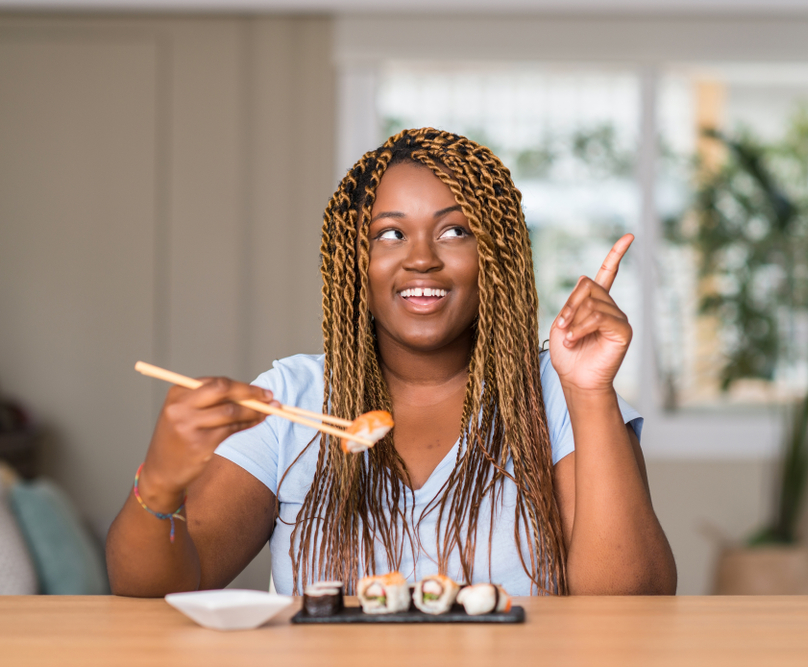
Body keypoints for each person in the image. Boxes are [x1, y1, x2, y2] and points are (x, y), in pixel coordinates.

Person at [106, 128, 676, 597]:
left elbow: (634, 603)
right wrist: (159, 483)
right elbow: (160, 590)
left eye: (455, 231)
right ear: (357, 262)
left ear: (495, 257)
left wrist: (591, 392)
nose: (422, 258)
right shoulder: (291, 399)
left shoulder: (558, 392)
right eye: (391, 234)